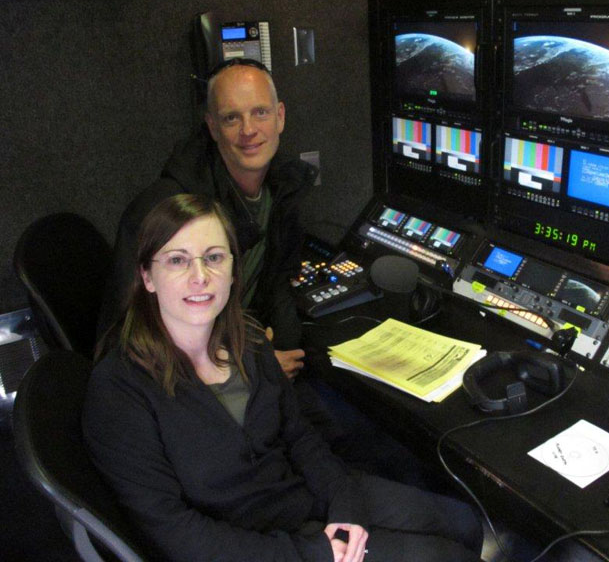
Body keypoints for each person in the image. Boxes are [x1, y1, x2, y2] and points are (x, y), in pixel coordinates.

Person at [84, 194, 483, 562]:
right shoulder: (119, 388)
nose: (200, 276)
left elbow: (300, 437)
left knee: (464, 523)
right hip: (254, 547)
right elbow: (175, 535)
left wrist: (345, 509)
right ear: (147, 277)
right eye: (177, 260)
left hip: (303, 501)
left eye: (214, 257)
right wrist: (315, 552)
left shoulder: (249, 341)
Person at [99, 57, 311, 378]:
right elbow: (129, 342)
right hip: (178, 381)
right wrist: (250, 369)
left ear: (279, 116)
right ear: (212, 127)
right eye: (231, 118)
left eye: (260, 113)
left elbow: (276, 282)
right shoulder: (167, 209)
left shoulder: (283, 188)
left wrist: (282, 353)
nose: (249, 130)